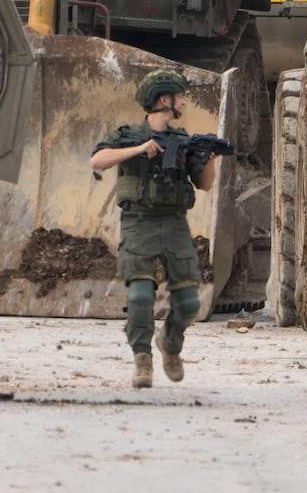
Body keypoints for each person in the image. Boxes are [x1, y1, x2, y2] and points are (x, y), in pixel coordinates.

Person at [90, 68, 223, 389]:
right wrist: (141, 150)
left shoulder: (183, 141)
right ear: (164, 100)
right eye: (179, 97)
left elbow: (204, 185)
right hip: (139, 222)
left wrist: (209, 159)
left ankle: (171, 344)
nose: (184, 103)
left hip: (175, 223)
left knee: (190, 302)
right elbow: (98, 160)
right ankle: (142, 359)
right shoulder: (127, 134)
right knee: (139, 297)